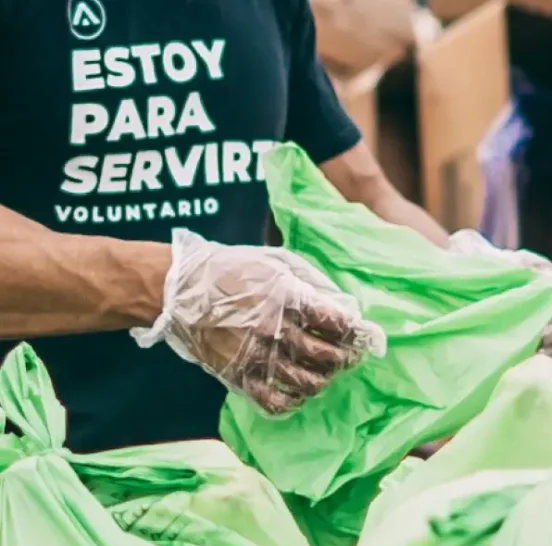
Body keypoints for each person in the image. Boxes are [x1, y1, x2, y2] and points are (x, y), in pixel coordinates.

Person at [0, 0, 448, 451]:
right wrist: (181, 283)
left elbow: (365, 192)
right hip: (41, 470)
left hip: (243, 467)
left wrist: (484, 282)